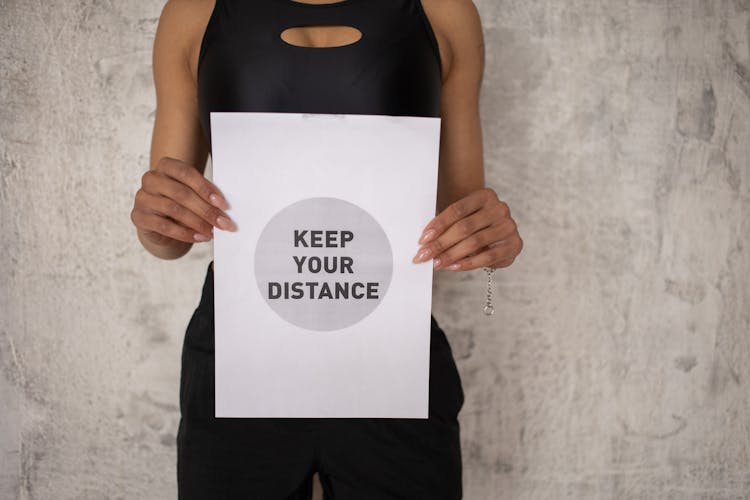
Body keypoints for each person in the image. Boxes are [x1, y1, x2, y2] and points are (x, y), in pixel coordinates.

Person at [130, 0, 523, 498]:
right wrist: (157, 222)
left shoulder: (443, 11)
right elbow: (167, 232)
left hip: (390, 360)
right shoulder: (194, 12)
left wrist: (490, 240)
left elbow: (459, 213)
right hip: (241, 362)